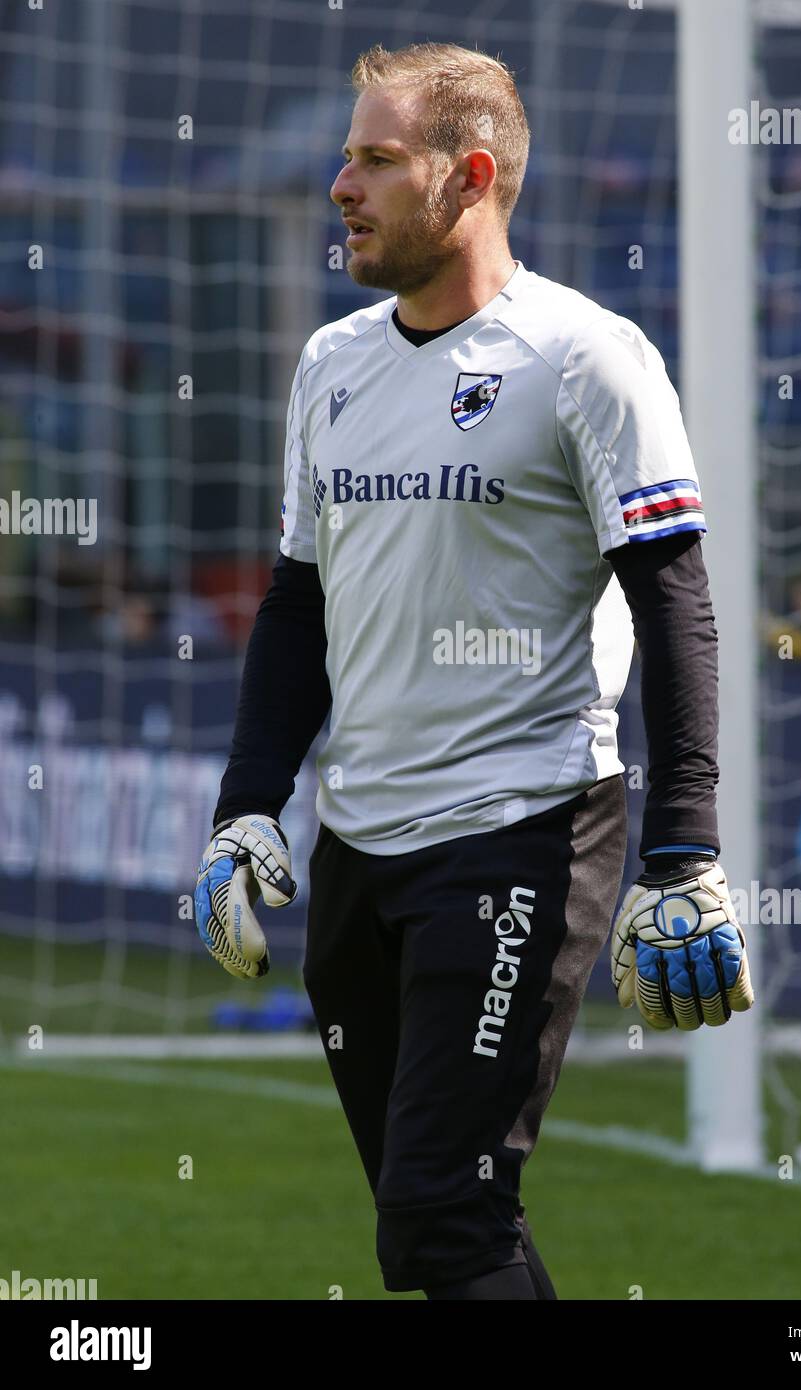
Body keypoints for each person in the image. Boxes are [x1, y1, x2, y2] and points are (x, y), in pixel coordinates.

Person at [193, 41, 753, 1301]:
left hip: (521, 836)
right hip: (360, 848)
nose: (342, 183)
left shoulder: (587, 358)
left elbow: (676, 605)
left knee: (445, 1215)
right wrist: (248, 804)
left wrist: (685, 851)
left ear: (473, 176)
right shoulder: (331, 363)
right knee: (443, 1228)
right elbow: (298, 601)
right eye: (346, 154)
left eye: (378, 159)